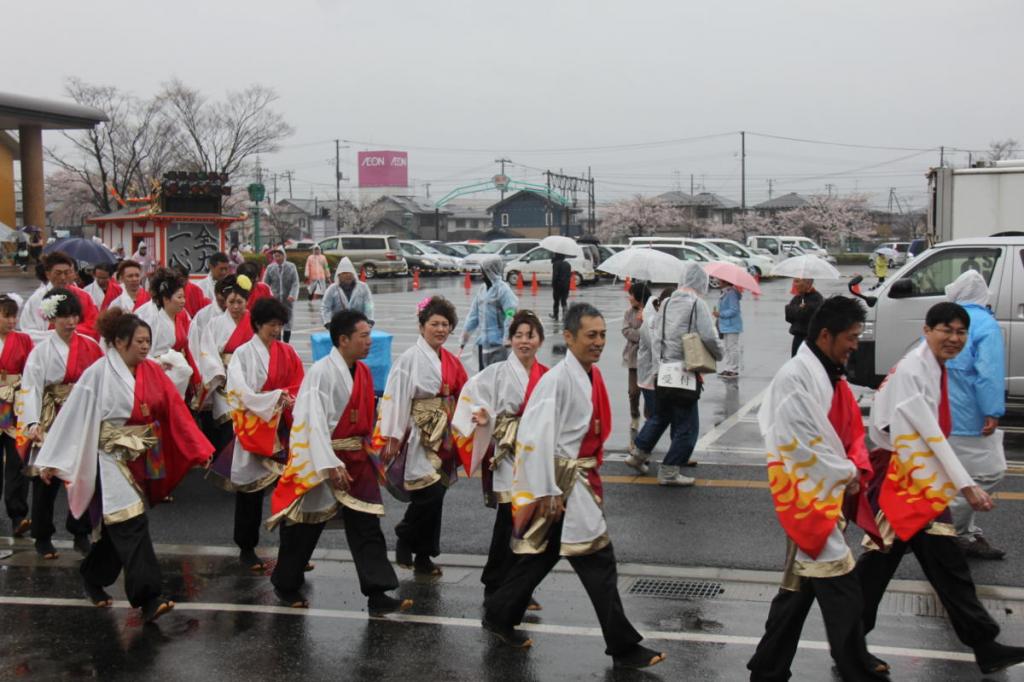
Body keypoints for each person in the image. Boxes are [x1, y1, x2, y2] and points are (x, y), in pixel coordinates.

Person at [482, 303, 664, 670]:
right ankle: (623, 647)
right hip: (564, 483)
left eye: (602, 335)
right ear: (568, 337)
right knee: (598, 560)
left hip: (577, 481)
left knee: (543, 555)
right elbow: (533, 438)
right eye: (590, 335)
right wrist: (546, 490)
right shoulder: (556, 381)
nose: (598, 342)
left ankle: (500, 613)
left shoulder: (588, 375)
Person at [856, 302, 1024, 676]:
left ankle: (985, 645)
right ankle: (848, 645)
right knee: (882, 569)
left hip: (916, 475)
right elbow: (923, 433)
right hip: (899, 479)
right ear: (927, 330)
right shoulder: (915, 369)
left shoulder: (931, 364)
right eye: (946, 330)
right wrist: (965, 486)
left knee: (941, 565)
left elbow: (928, 435)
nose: (954, 338)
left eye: (961, 332)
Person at [35, 308, 213, 623]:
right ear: (118, 342)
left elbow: (173, 408)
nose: (145, 347)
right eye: (139, 341)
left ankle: (92, 575)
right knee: (131, 522)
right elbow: (73, 415)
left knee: (121, 527)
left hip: (142, 455)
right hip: (108, 457)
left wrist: (199, 447)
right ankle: (149, 597)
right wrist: (51, 460)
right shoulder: (98, 374)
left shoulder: (152, 371)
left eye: (148, 341)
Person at [747, 296, 887, 682]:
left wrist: (847, 468)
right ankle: (859, 671)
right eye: (852, 337)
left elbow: (838, 431)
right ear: (826, 335)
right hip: (807, 496)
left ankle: (767, 668)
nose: (856, 344)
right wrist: (848, 472)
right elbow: (801, 445)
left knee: (797, 590)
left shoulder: (826, 371)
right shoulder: (796, 377)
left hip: (821, 490)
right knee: (844, 591)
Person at [268, 310, 411, 615]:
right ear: (343, 339)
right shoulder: (321, 373)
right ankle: (285, 582)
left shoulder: (362, 371)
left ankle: (378, 593)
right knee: (306, 526)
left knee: (366, 524)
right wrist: (329, 463)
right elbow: (311, 422)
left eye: (369, 335)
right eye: (364, 336)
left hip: (356, 459)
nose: (370, 342)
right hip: (325, 457)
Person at [451, 310, 548, 605]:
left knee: (532, 522)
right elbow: (470, 398)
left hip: (535, 454)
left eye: (529, 335)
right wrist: (482, 416)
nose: (524, 341)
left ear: (540, 339)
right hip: (506, 454)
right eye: (518, 335)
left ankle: (519, 587)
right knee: (508, 519)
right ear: (509, 340)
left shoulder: (547, 376)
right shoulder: (496, 373)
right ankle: (495, 582)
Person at [375, 296, 468, 576]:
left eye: (445, 324)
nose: (440, 329)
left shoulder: (450, 360)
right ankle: (406, 535)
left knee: (436, 493)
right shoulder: (409, 360)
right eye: (434, 324)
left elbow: (467, 393)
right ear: (421, 326)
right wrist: (392, 434)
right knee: (428, 493)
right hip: (418, 433)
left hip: (444, 434)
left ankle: (423, 555)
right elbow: (395, 397)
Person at [16, 288, 102, 558]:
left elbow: (101, 381)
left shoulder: (91, 346)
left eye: (74, 315)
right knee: (46, 478)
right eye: (64, 316)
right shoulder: (41, 351)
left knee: (84, 474)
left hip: (80, 415)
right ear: (53, 318)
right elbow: (31, 387)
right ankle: (42, 535)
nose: (70, 321)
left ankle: (81, 531)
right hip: (51, 416)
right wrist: (32, 421)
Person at [220, 296, 304, 570]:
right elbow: (239, 392)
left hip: (281, 428)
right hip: (256, 428)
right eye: (271, 324)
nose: (276, 330)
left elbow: (298, 383)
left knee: (288, 490)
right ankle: (247, 548)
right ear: (257, 324)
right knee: (250, 493)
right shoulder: (243, 354)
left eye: (280, 324)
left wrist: (286, 399)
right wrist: (275, 398)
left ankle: (292, 551)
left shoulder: (287, 353)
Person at [630, 262, 724, 485]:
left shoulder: (667, 302)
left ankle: (637, 454)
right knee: (687, 425)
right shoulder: (697, 304)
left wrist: (657, 367)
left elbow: (656, 336)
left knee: (661, 415)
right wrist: (719, 354)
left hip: (663, 370)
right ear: (700, 282)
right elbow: (709, 337)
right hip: (685, 371)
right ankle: (670, 470)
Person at [943, 271, 1007, 559]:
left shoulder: (946, 322)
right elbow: (989, 374)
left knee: (960, 475)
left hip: (945, 411)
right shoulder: (985, 325)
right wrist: (992, 410)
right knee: (990, 471)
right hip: (972, 415)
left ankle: (964, 534)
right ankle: (944, 531)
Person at [135, 268, 199, 398]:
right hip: (157, 371)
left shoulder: (182, 314)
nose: (183, 301)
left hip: (176, 371)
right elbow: (142, 350)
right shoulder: (150, 317)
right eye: (179, 297)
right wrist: (159, 363)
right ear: (166, 299)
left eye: (184, 297)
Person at [0, 296, 33, 537]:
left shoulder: (24, 340)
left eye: (14, 316)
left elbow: (31, 371)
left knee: (17, 460)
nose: (12, 321)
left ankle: (18, 515)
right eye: (6, 315)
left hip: (16, 406)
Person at [19, 251, 100, 342]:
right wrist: (57, 334)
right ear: (48, 274)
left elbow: (93, 326)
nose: (63, 277)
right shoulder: (36, 299)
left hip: (78, 349)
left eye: (67, 273)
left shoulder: (84, 296)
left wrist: (67, 332)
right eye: (58, 273)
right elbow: (27, 332)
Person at [461, 255, 517, 371]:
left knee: (497, 376)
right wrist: (465, 336)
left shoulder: (503, 290)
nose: (481, 274)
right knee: (483, 377)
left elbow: (510, 314)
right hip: (483, 342)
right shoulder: (482, 290)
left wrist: (507, 337)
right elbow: (473, 315)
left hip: (499, 343)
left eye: (483, 271)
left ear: (490, 271)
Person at [621, 281, 650, 446]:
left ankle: (648, 417)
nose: (629, 297)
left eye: (631, 294)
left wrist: (645, 319)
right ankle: (634, 414)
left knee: (647, 390)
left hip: (648, 358)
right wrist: (640, 334)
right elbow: (626, 331)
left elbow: (654, 331)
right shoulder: (628, 313)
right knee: (633, 391)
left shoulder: (652, 310)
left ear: (638, 297)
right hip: (633, 357)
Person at [321, 257, 374, 326]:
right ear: (339, 275)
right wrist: (327, 322)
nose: (347, 275)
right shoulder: (332, 289)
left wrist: (369, 319)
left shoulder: (363, 287)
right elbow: (325, 307)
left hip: (359, 325)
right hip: (339, 325)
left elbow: (368, 304)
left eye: (349, 273)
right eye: (344, 273)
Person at [262, 248, 299, 343]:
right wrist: (267, 297)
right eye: (275, 256)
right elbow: (265, 284)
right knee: (276, 321)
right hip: (275, 300)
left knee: (287, 321)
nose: (277, 258)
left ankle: (286, 343)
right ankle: (277, 343)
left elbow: (295, 283)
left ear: (284, 255)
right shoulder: (270, 268)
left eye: (279, 255)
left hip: (287, 300)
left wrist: (292, 295)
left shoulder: (291, 267)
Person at [785, 278, 823, 357]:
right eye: (794, 281)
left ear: (808, 283)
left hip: (810, 340)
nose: (794, 284)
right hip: (797, 338)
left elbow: (805, 315)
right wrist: (799, 309)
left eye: (797, 281)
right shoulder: (797, 298)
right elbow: (788, 315)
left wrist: (799, 310)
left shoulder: (817, 298)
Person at [715, 284, 743, 378]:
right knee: (727, 347)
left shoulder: (731, 293)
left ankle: (733, 369)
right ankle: (728, 368)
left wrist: (721, 314)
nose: (717, 281)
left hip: (732, 325)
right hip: (725, 325)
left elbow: (734, 310)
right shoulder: (725, 292)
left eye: (719, 280)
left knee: (732, 348)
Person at [550, 253, 571, 321]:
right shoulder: (568, 264)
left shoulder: (556, 264)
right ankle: (565, 314)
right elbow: (569, 276)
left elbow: (555, 275)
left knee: (556, 301)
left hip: (558, 285)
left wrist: (553, 284)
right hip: (566, 285)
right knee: (564, 300)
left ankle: (555, 315)